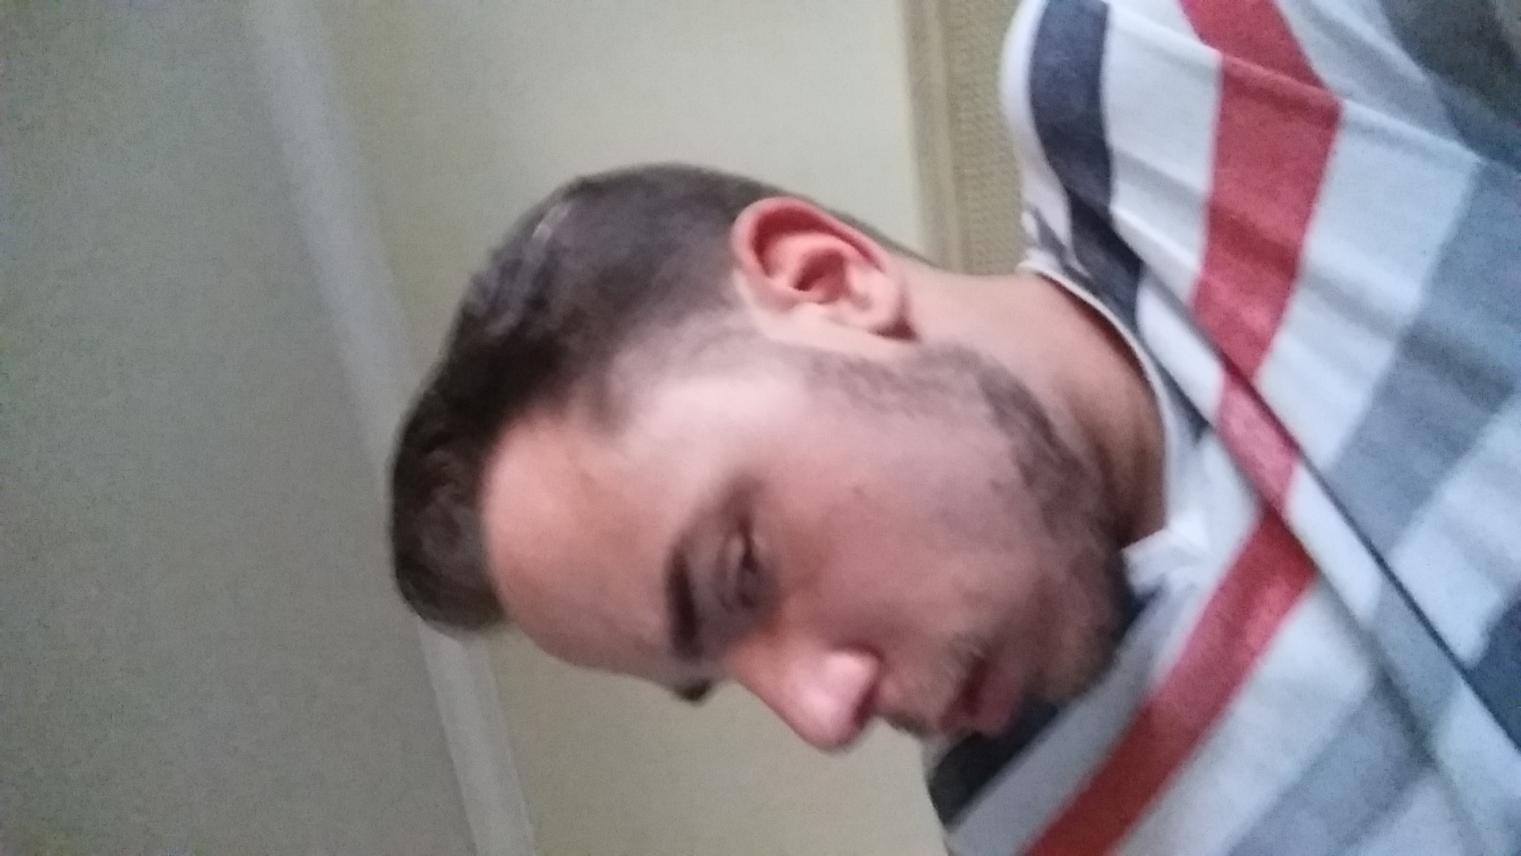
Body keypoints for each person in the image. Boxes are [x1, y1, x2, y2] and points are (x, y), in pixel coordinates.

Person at [388, 0, 1520, 852]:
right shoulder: (1028, 810)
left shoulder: (1180, 62)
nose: (823, 717)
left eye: (741, 573)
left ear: (824, 279)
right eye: (721, 677)